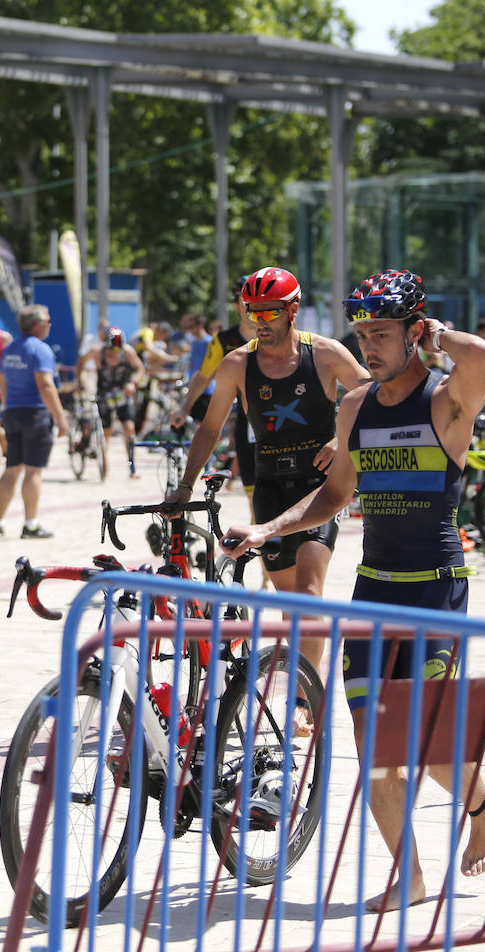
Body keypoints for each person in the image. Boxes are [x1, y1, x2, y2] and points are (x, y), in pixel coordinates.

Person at [220, 268, 485, 912]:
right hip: (373, 591)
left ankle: (482, 808)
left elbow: (482, 356)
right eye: (362, 333)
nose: (368, 346)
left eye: (381, 333)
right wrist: (269, 528)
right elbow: (338, 493)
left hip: (435, 589)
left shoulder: (445, 401)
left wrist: (438, 336)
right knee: (377, 750)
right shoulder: (354, 407)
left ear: (413, 331)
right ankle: (412, 875)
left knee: (426, 746)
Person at [166, 266, 367, 683]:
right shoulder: (237, 364)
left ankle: (303, 699)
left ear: (293, 310)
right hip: (270, 488)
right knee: (291, 604)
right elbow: (209, 428)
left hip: (320, 488)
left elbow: (371, 394)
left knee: (310, 595)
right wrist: (185, 486)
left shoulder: (325, 353)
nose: (260, 322)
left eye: (270, 312)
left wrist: (342, 440)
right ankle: (306, 684)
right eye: (252, 312)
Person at [174, 274, 256, 499]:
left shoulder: (279, 335)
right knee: (255, 501)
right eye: (245, 299)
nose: (252, 306)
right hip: (247, 420)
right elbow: (203, 377)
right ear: (235, 303)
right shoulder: (223, 340)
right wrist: (184, 408)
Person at [0, 304, 69, 539]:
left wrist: (7, 406)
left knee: (11, 468)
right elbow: (45, 385)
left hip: (13, 412)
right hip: (35, 413)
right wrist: (61, 418)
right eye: (47, 320)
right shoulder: (40, 349)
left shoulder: (10, 348)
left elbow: (1, 381)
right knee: (33, 471)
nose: (50, 324)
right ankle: (31, 524)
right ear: (37, 324)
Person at [77, 326, 146, 477]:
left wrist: (133, 382)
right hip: (104, 393)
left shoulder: (127, 352)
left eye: (117, 350)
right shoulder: (97, 351)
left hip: (123, 393)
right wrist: (80, 382)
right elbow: (81, 362)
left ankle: (132, 467)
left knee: (129, 429)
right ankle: (104, 463)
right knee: (106, 431)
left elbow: (140, 368)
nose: (114, 353)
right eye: (111, 350)